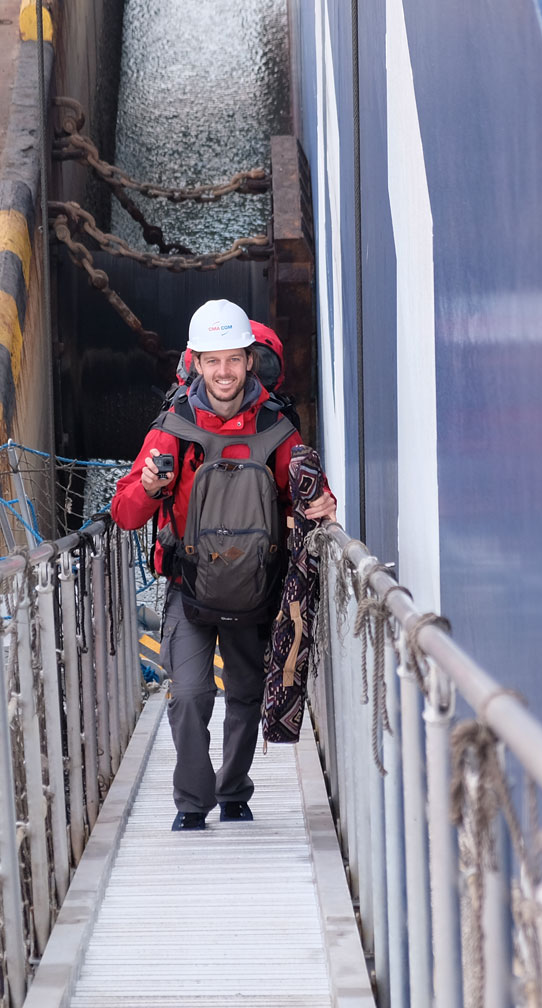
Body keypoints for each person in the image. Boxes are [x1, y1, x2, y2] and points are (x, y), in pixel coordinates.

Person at [111, 299, 335, 831]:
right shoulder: (172, 428)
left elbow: (307, 495)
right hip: (189, 585)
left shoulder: (280, 430)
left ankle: (234, 790)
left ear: (250, 360)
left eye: (233, 359)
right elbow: (123, 514)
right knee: (189, 695)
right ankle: (192, 802)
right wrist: (147, 489)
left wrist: (321, 505)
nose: (224, 372)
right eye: (213, 361)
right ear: (196, 362)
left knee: (247, 695)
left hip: (257, 586)